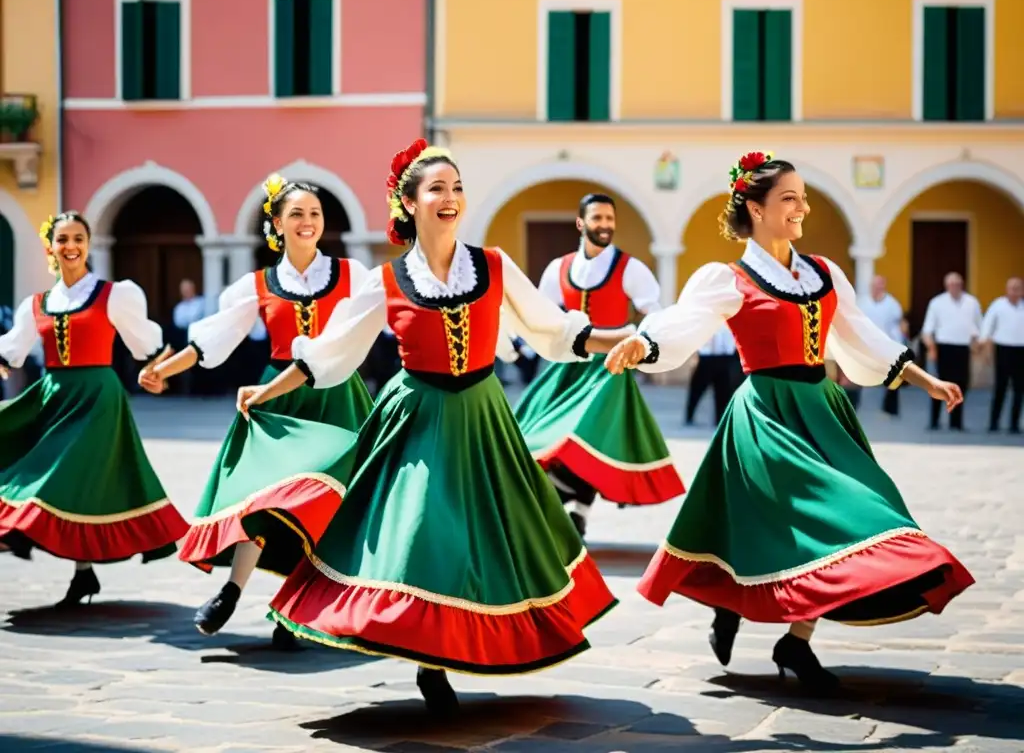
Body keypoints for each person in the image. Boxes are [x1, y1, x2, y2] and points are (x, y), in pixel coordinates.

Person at [233, 139, 619, 715]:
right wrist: (265, 391)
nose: (451, 198)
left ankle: (444, 654)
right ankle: (430, 661)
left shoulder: (492, 265)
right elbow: (329, 356)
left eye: (457, 187)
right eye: (437, 188)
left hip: (483, 417)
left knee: (487, 535)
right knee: (425, 531)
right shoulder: (384, 282)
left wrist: (628, 338)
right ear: (409, 203)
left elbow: (555, 331)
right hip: (418, 417)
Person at [604, 152, 974, 692]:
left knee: (864, 514)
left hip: (822, 412)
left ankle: (793, 641)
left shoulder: (825, 274)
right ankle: (743, 611)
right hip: (766, 418)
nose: (802, 207)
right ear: (754, 209)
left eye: (802, 197)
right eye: (788, 198)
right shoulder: (727, 279)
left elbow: (859, 335)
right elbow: (684, 320)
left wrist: (923, 377)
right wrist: (642, 339)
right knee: (798, 529)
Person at [138, 175, 373, 645]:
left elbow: (386, 323)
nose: (308, 223)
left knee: (327, 509)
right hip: (275, 401)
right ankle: (232, 589)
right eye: (297, 215)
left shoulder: (354, 276)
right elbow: (213, 337)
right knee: (258, 495)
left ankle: (293, 609)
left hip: (336, 395)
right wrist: (165, 369)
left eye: (315, 214)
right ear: (278, 225)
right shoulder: (258, 284)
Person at [0, 212, 189, 604]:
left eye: (78, 238)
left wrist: (159, 371)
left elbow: (148, 344)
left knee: (65, 477)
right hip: (53, 396)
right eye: (63, 239)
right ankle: (83, 574)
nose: (71, 246)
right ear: (50, 247)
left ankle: (22, 533)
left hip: (99, 401)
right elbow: (12, 352)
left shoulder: (114, 295)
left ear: (87, 244)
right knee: (66, 484)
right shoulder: (36, 303)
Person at [513, 194, 684, 538]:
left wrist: (648, 343)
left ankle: (574, 508)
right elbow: (542, 316)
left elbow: (653, 311)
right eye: (597, 218)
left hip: (610, 367)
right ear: (581, 223)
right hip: (566, 365)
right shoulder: (558, 269)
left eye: (610, 218)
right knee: (531, 433)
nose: (605, 225)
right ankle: (569, 509)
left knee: (585, 434)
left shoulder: (630, 268)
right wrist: (521, 346)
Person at [920, 272, 982, 431]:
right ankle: (934, 421)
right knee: (938, 385)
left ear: (962, 285)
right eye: (952, 284)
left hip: (962, 348)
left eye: (958, 284)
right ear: (946, 286)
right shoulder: (937, 302)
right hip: (943, 347)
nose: (955, 287)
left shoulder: (972, 302)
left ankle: (956, 422)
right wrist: (932, 349)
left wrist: (977, 346)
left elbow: (978, 327)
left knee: (961, 385)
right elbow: (927, 331)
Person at [858, 275, 907, 416]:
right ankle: (858, 406)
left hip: (888, 345)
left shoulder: (892, 304)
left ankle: (890, 408)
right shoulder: (863, 303)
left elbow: (900, 325)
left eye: (879, 285)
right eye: (874, 285)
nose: (876, 288)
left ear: (883, 286)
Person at [981, 276, 1024, 434]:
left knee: (1019, 390)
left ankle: (1014, 424)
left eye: (1018, 289)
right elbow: (987, 326)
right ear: (1006, 290)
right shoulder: (998, 305)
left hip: (1021, 350)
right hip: (1003, 349)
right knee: (1000, 388)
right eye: (1012, 288)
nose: (1014, 292)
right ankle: (994, 422)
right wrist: (985, 346)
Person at [684, 324, 741, 426]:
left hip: (725, 357)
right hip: (706, 357)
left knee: (723, 392)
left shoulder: (730, 320)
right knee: (697, 389)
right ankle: (689, 416)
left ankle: (719, 419)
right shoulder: (706, 319)